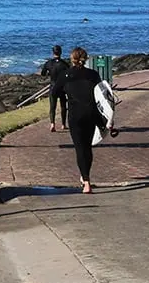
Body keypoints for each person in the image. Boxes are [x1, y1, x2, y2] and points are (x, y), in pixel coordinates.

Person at [61, 47, 109, 194]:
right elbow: (102, 94)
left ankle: (86, 181)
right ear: (86, 58)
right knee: (87, 147)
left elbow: (55, 91)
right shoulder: (93, 74)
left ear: (72, 59)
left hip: (75, 115)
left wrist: (67, 94)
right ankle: (86, 178)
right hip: (91, 114)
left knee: (79, 148)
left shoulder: (66, 74)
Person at [39, 45, 70, 132]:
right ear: (60, 52)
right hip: (62, 87)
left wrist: (50, 73)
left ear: (53, 53)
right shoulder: (64, 64)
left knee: (52, 107)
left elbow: (43, 73)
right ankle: (63, 124)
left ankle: (52, 124)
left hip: (53, 86)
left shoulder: (49, 63)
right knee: (63, 106)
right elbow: (69, 75)